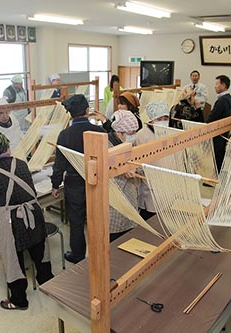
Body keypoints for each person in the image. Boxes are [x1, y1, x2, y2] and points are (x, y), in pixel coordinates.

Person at [0, 130, 53, 310]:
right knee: (39, 248)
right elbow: (22, 191)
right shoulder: (21, 164)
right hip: (33, 212)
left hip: (10, 219)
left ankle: (19, 300)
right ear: (7, 147)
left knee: (13, 258)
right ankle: (48, 284)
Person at [51, 94, 106, 264]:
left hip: (74, 183)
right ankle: (99, 255)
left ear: (70, 114)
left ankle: (78, 255)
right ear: (87, 111)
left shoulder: (64, 135)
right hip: (97, 181)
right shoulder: (99, 132)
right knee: (97, 219)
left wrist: (55, 184)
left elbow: (59, 163)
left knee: (76, 221)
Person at [107, 109, 140, 241]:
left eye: (134, 132)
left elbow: (139, 162)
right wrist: (121, 170)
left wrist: (135, 169)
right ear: (118, 132)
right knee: (115, 241)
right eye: (130, 133)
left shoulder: (130, 143)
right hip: (114, 203)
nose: (133, 136)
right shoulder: (105, 147)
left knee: (129, 238)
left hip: (130, 200)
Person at [136, 101, 170, 220]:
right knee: (150, 215)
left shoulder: (169, 133)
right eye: (159, 118)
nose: (163, 121)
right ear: (151, 120)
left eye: (165, 118)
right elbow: (140, 163)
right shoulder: (141, 135)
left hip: (167, 183)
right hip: (150, 184)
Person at [207, 75, 231, 172]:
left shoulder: (222, 100)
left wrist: (204, 126)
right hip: (224, 130)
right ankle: (218, 174)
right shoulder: (228, 98)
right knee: (220, 153)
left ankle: (214, 175)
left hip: (218, 131)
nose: (215, 86)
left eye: (217, 84)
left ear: (223, 85)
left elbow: (213, 116)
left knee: (216, 154)